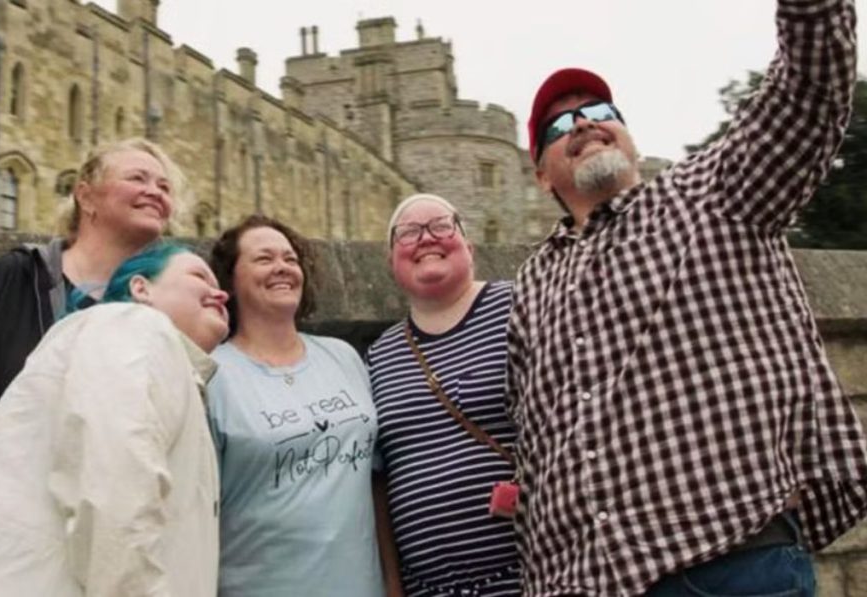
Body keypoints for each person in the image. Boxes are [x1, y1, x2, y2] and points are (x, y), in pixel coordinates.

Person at [506, 2, 867, 595]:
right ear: (541, 174)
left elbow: (809, 92)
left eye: (599, 111)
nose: (583, 125)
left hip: (728, 563)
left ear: (627, 133)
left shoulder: (712, 194)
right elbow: (533, 436)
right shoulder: (533, 284)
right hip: (582, 581)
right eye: (558, 126)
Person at [0, 242, 230, 596]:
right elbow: (115, 488)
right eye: (199, 276)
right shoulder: (132, 326)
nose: (220, 293)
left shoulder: (166, 367)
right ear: (140, 288)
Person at [0, 138, 187, 514]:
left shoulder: (168, 306)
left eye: (164, 186)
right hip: (11, 532)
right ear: (86, 197)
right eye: (138, 178)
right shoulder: (11, 281)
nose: (154, 191)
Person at [207, 214, 386, 597]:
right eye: (263, 259)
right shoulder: (211, 374)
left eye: (290, 258)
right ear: (231, 280)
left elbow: (375, 484)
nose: (282, 268)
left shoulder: (343, 358)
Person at [366, 193, 521, 596]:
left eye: (441, 226)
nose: (425, 238)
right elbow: (380, 480)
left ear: (469, 247)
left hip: (528, 576)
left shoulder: (519, 305)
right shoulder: (381, 354)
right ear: (390, 262)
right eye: (408, 233)